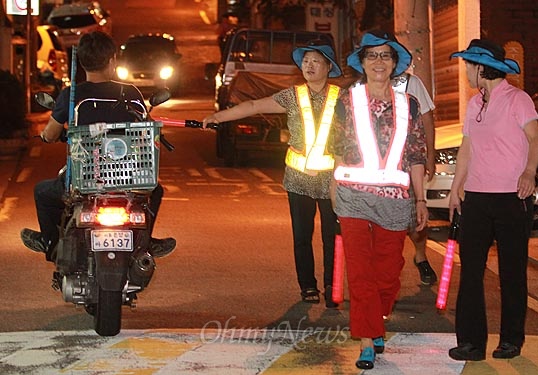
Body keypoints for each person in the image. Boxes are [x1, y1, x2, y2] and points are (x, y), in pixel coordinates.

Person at [202, 40, 343, 308]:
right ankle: (308, 286)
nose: (309, 66)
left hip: (332, 181)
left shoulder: (342, 98)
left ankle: (331, 285)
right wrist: (219, 117)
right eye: (306, 61)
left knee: (332, 236)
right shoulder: (293, 95)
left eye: (316, 61)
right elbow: (254, 105)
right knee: (301, 236)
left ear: (328, 67)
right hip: (298, 180)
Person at [20, 31, 176, 260]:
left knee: (42, 192)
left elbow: (51, 133)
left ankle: (50, 244)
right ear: (112, 61)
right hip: (128, 178)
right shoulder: (130, 92)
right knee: (155, 190)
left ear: (81, 63)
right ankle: (146, 243)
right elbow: (145, 128)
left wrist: (47, 136)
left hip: (84, 178)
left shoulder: (72, 96)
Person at [330, 30, 428, 370]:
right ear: (363, 63)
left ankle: (375, 318)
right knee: (360, 273)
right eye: (372, 56)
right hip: (352, 198)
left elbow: (416, 153)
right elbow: (335, 149)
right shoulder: (346, 100)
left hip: (396, 201)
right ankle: (368, 340)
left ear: (394, 64)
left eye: (385, 56)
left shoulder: (409, 104)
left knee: (387, 274)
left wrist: (420, 200)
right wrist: (332, 190)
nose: (379, 62)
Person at [447, 39, 538, 361]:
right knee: (471, 270)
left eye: (468, 66)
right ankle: (471, 342)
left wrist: (529, 173)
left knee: (511, 271)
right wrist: (457, 188)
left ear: (480, 67)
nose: (466, 72)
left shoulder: (518, 99)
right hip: (476, 197)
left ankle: (511, 340)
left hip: (511, 198)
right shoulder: (475, 103)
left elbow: (534, 138)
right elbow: (467, 148)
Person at [393, 71, 438, 285]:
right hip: (375, 171)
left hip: (408, 164)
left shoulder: (411, 82)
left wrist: (430, 155)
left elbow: (427, 118)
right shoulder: (360, 85)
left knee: (415, 217)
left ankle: (421, 257)